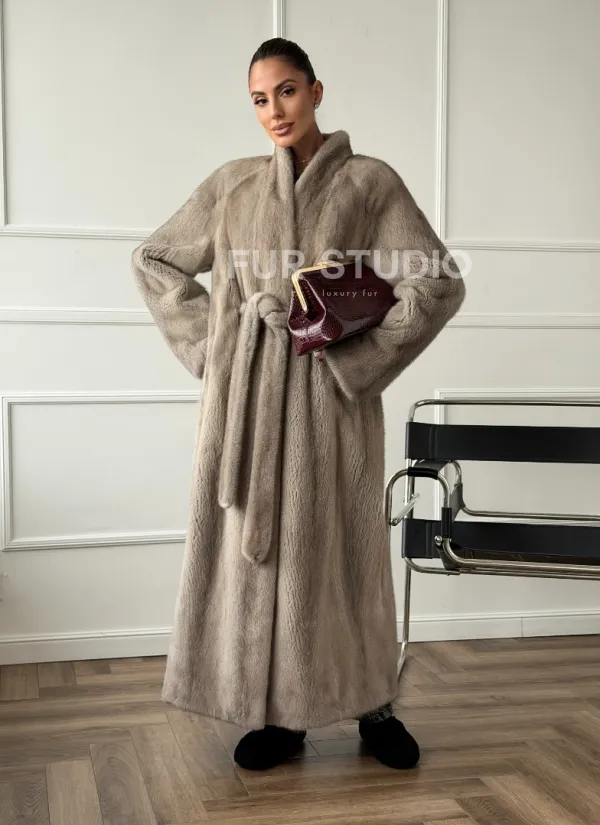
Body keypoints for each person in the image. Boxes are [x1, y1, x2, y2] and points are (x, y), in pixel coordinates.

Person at [131, 37, 465, 772]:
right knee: (260, 556)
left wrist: (358, 358)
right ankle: (278, 715)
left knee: (343, 552)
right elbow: (153, 259)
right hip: (247, 402)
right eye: (259, 99)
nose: (274, 110)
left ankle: (373, 703)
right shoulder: (232, 186)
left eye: (286, 91)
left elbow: (437, 281)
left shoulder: (370, 183)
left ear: (316, 91)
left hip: (329, 401)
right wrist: (216, 350)